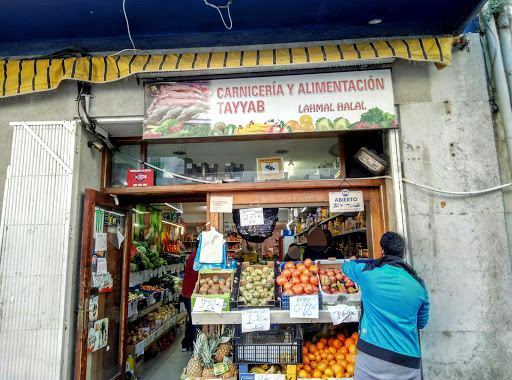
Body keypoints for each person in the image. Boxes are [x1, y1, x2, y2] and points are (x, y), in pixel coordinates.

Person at [341, 232, 429, 380]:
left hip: (372, 357)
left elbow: (346, 266)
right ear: (403, 253)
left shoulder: (367, 273)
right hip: (407, 361)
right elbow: (421, 322)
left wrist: (352, 260)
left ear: (382, 251)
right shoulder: (419, 284)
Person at [181, 249, 199, 351]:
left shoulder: (194, 254)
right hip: (191, 293)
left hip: (190, 292)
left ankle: (186, 343)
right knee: (195, 320)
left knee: (192, 319)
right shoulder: (196, 257)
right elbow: (195, 275)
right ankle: (193, 347)